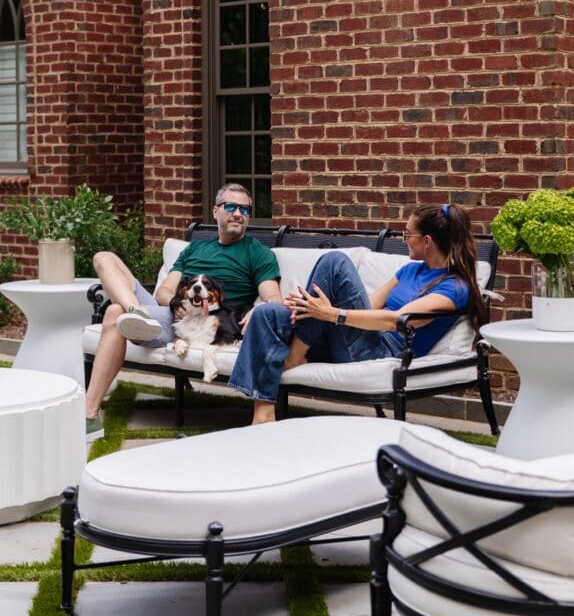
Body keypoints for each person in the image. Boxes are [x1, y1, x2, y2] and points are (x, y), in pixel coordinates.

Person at [228, 203, 484, 424]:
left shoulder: (455, 286)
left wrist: (332, 314)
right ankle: (263, 416)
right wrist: (310, 307)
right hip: (352, 339)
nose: (404, 239)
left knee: (334, 262)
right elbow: (369, 304)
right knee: (268, 313)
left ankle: (295, 356)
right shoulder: (409, 271)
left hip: (379, 350)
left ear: (426, 241)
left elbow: (396, 321)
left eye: (407, 234)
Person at [85, 183, 282, 439]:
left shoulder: (259, 254)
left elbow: (273, 299)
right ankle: (137, 312)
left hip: (209, 323)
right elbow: (163, 292)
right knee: (103, 257)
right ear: (215, 211)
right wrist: (175, 304)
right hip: (173, 315)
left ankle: (88, 415)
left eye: (244, 209)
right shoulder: (195, 249)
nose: (238, 213)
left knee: (113, 312)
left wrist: (261, 308)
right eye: (231, 206)